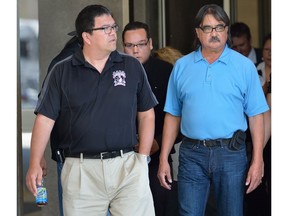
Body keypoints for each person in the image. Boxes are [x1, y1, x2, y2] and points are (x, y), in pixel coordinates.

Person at [26, 4, 158, 216]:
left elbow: (146, 114)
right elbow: (45, 119)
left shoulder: (131, 66)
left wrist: (142, 159)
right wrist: (34, 162)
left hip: (127, 166)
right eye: (105, 28)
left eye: (113, 27)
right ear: (87, 36)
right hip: (81, 171)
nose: (113, 32)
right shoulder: (62, 71)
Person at [157, 4, 269, 216]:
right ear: (198, 33)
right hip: (191, 153)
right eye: (207, 28)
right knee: (188, 213)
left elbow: (256, 116)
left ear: (227, 30)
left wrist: (258, 159)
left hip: (231, 154)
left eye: (219, 27)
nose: (214, 33)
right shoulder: (181, 66)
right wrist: (163, 158)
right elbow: (173, 115)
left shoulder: (244, 66)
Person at [122, 21, 179, 216]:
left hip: (158, 157)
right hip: (122, 158)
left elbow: (177, 116)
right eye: (130, 45)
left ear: (151, 43)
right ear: (123, 46)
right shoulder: (116, 71)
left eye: (141, 44)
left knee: (159, 208)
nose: (135, 50)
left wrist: (159, 142)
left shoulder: (166, 72)